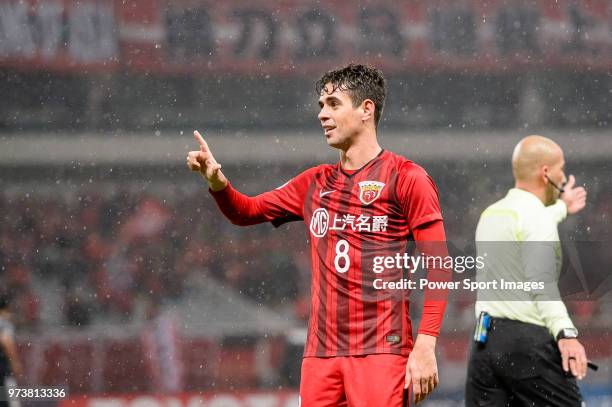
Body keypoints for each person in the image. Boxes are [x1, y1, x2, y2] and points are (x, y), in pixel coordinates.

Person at [187, 64, 449, 406]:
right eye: (321, 106)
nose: (322, 115)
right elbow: (245, 211)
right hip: (320, 357)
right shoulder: (314, 183)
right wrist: (217, 183)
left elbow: (440, 265)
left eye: (333, 104)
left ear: (366, 109)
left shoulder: (406, 177)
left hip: (381, 351)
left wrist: (426, 343)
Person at [465, 135, 588, 406]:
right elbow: (541, 283)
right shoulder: (536, 218)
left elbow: (533, 219)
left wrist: (562, 207)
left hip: (484, 343)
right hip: (526, 346)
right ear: (546, 173)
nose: (563, 175)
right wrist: (566, 333)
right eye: (561, 168)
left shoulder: (492, 213)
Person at [0, 296, 23, 407]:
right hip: (3, 370)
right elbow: (6, 342)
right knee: (13, 401)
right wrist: (15, 362)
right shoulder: (4, 323)